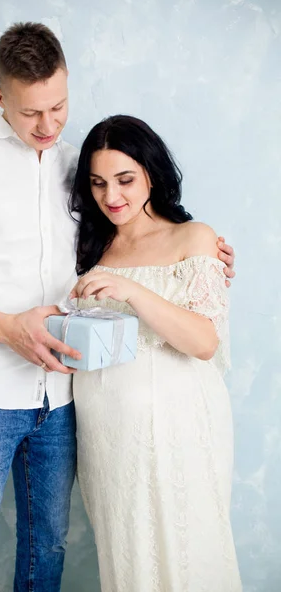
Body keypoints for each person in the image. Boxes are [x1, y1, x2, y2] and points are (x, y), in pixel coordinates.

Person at [0, 23, 236, 591]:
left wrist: (209, 253)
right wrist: (6, 328)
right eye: (31, 114)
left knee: (44, 558)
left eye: (59, 106)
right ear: (0, 97)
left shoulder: (83, 168)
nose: (48, 126)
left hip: (65, 399)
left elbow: (141, 238)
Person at [69, 115, 242, 592]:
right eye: (98, 183)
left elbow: (205, 342)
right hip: (106, 436)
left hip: (179, 429)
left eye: (125, 180)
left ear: (151, 172)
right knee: (127, 562)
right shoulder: (89, 246)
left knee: (187, 554)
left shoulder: (194, 238)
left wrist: (132, 291)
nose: (112, 197)